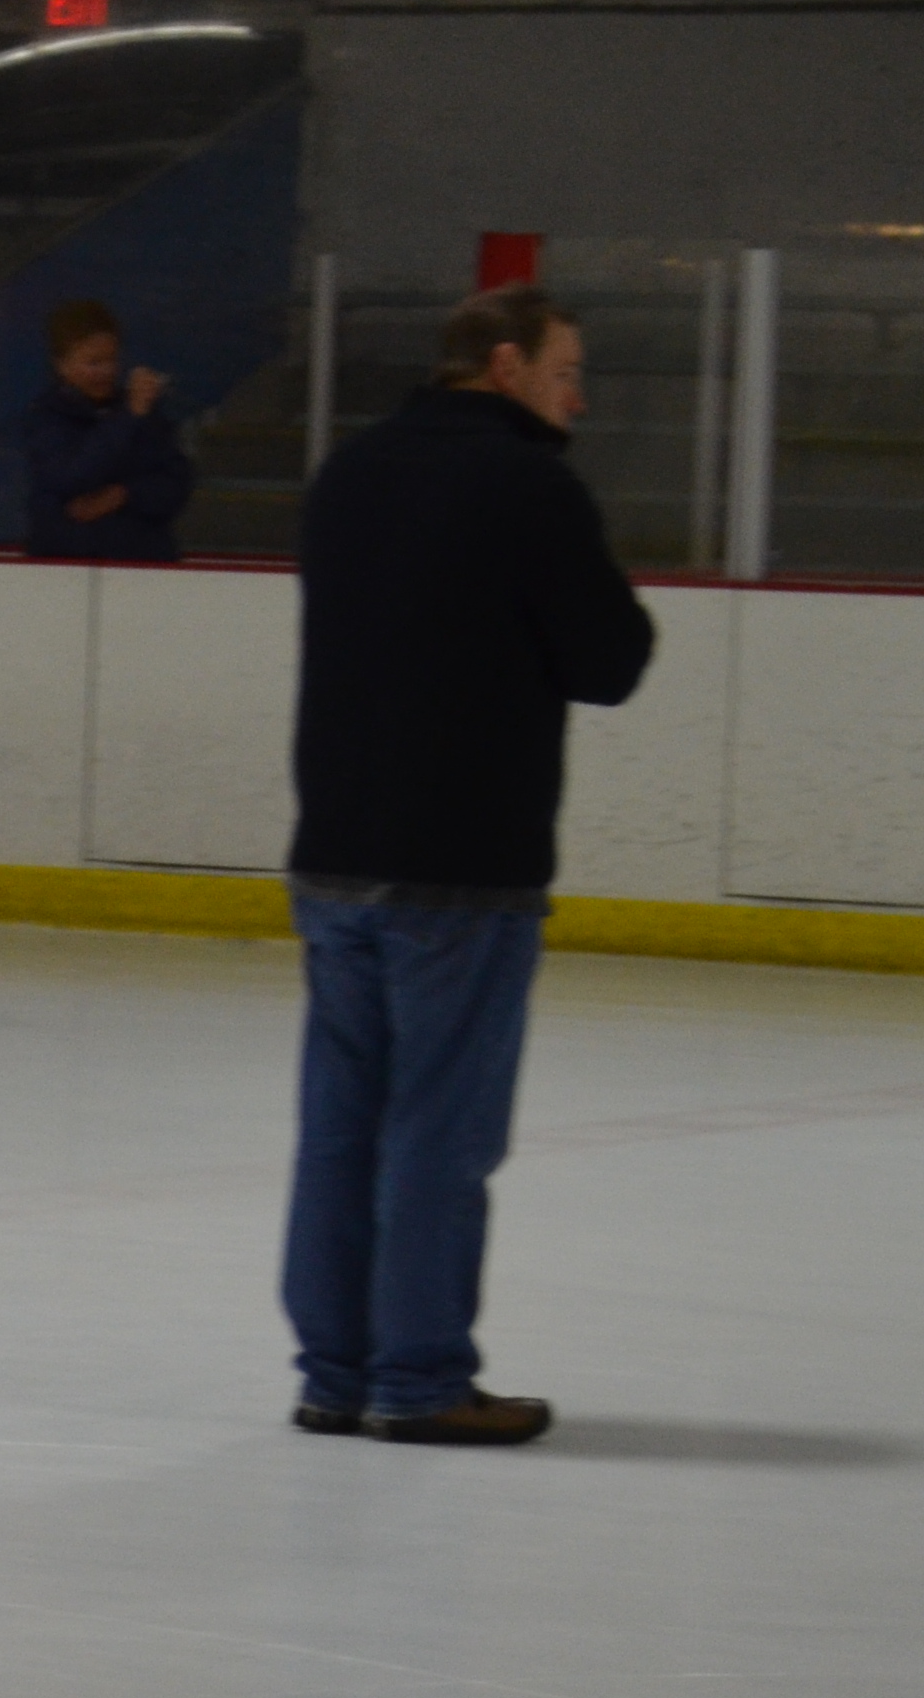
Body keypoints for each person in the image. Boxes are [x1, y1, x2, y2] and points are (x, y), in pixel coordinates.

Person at [279, 285, 653, 1447]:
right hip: (462, 864)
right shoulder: (527, 486)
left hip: (334, 853)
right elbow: (609, 658)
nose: (574, 396)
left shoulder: (344, 475)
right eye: (561, 372)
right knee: (439, 1129)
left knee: (342, 1128)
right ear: (501, 366)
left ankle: (335, 1373)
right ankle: (418, 1377)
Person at [22, 299, 191, 561]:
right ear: (62, 365)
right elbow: (72, 477)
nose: (106, 372)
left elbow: (175, 484)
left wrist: (124, 495)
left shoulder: (143, 415)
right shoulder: (46, 418)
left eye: (111, 360)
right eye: (93, 363)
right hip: (64, 566)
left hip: (143, 564)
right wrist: (127, 418)